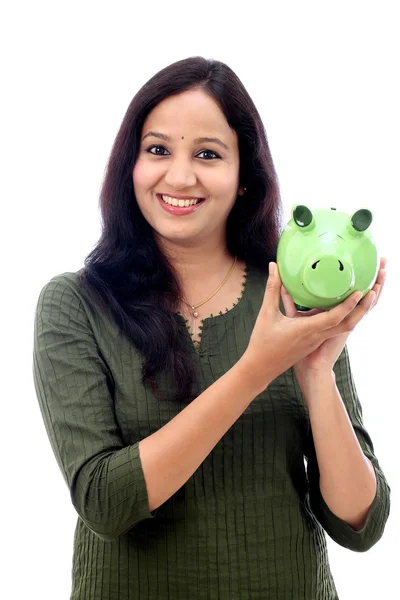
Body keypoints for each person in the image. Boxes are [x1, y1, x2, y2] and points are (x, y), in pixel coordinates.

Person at [32, 56, 390, 600]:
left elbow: (359, 523)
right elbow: (105, 502)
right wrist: (256, 369)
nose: (179, 176)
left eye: (207, 154)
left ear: (245, 175)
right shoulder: (75, 305)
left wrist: (316, 372)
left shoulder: (295, 297)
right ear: (130, 165)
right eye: (157, 150)